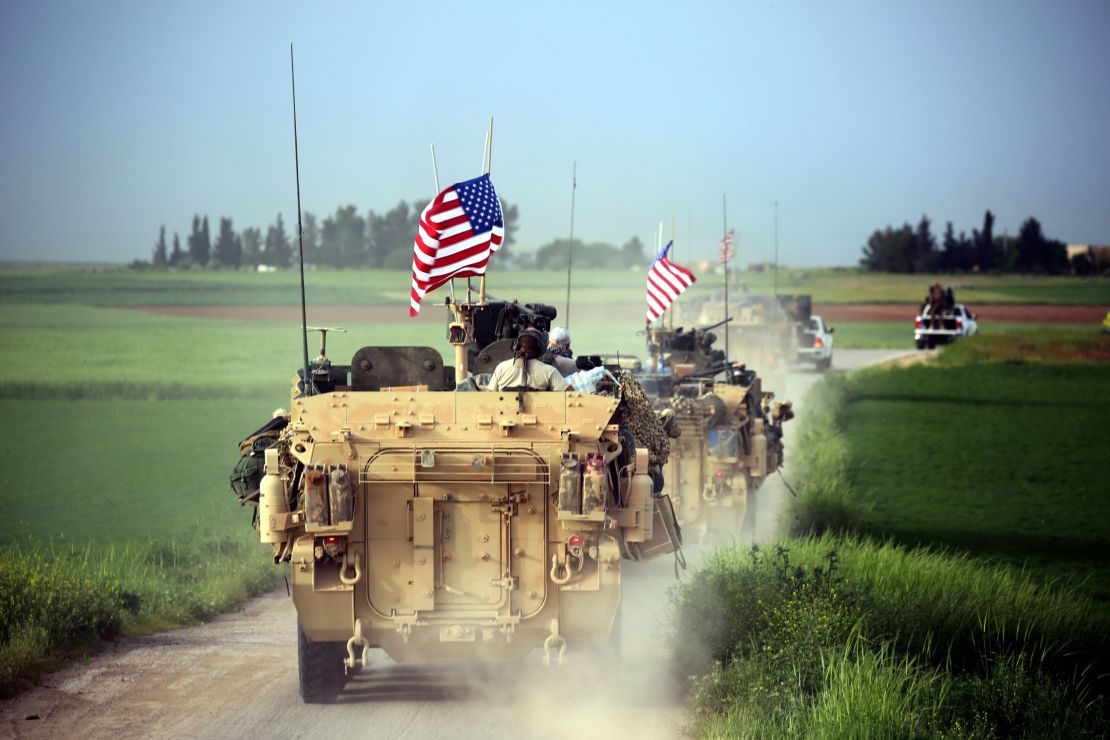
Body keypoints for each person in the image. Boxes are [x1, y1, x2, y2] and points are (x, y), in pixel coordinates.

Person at [487, 328, 570, 391]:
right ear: (541, 348)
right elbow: (571, 394)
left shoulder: (501, 368)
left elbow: (489, 396)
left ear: (517, 346)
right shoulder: (549, 372)